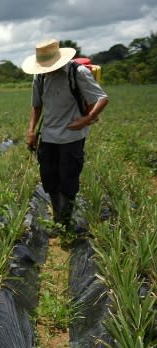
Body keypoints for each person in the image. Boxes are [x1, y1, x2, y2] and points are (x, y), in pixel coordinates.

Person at [22, 39, 108, 232]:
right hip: (48, 136)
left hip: (72, 137)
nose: (47, 70)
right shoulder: (40, 77)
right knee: (50, 180)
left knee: (68, 181)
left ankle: (65, 222)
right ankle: (59, 219)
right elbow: (36, 105)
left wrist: (86, 119)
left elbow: (102, 98)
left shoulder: (77, 72)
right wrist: (31, 131)